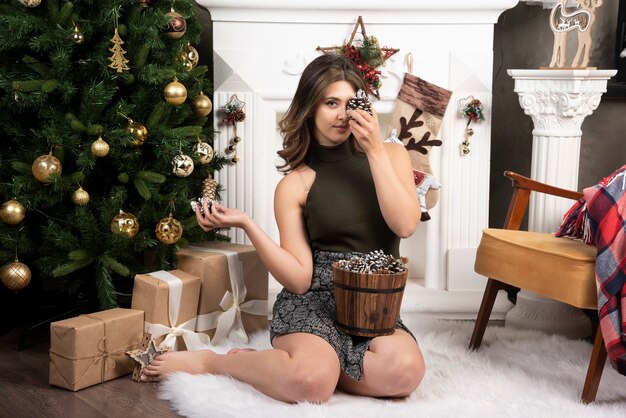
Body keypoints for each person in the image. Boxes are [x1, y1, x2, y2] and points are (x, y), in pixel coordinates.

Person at [141, 54, 425, 403]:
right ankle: (215, 363)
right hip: (315, 299)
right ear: (309, 108)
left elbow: (406, 225)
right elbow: (299, 279)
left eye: (349, 103)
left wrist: (375, 152)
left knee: (405, 373)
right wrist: (247, 223)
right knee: (310, 382)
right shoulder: (295, 184)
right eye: (330, 103)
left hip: (371, 301)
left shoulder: (393, 155)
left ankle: (314, 365)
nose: (341, 115)